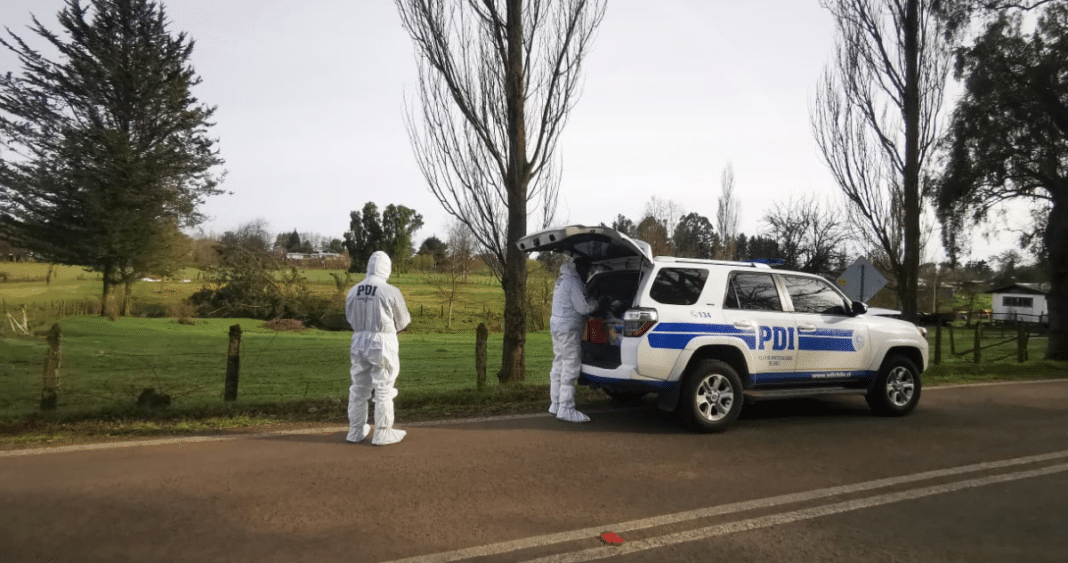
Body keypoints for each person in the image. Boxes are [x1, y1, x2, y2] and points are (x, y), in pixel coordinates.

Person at [345, 251, 411, 445]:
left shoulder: (353, 290)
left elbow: (349, 317)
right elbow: (403, 320)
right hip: (382, 341)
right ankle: (382, 431)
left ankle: (355, 430)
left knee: (358, 386)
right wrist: (392, 330)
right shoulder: (390, 291)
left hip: (359, 339)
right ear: (387, 268)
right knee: (383, 386)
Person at [549, 257, 603, 423]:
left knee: (559, 362)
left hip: (557, 326)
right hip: (569, 329)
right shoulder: (574, 281)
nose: (587, 273)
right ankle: (566, 408)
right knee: (570, 365)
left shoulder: (563, 279)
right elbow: (583, 308)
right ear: (580, 267)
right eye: (587, 269)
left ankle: (555, 404)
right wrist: (598, 303)